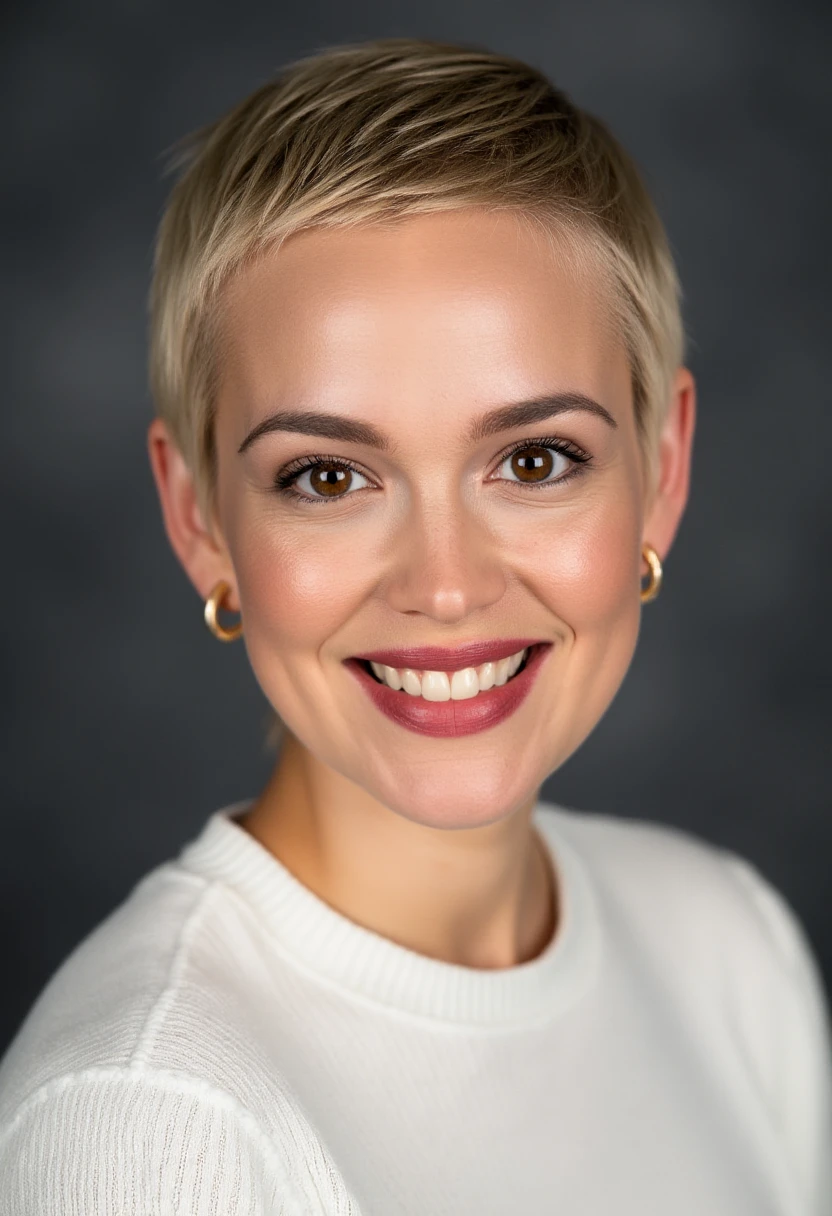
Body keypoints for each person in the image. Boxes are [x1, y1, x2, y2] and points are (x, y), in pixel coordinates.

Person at [0, 36, 829, 1216]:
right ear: (198, 516)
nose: (444, 586)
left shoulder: (727, 945)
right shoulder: (148, 1124)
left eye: (535, 459)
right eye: (328, 478)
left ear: (662, 466)